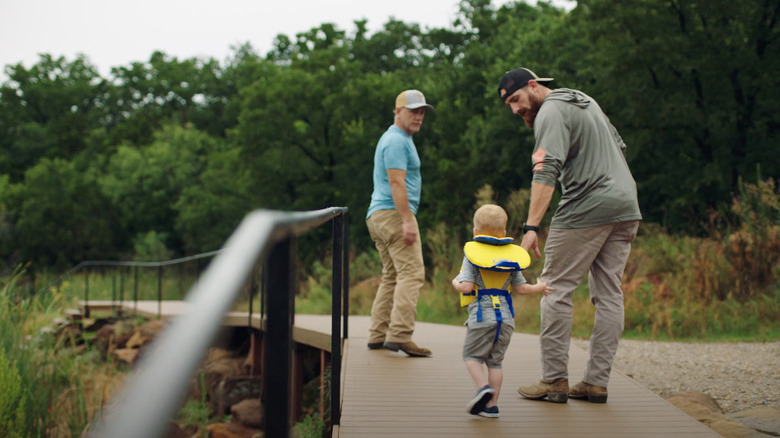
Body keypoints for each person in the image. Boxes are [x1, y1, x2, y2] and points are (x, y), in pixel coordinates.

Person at [497, 68, 642, 403]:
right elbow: (620, 145)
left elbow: (546, 169)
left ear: (534, 86)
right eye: (510, 107)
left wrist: (531, 227)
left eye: (517, 100)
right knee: (609, 294)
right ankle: (595, 383)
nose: (516, 110)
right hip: (626, 205)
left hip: (586, 207)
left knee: (555, 289)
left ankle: (553, 381)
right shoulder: (585, 100)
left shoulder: (549, 112)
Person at [452, 204, 552, 417]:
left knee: (471, 356)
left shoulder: (472, 255)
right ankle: (492, 405)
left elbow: (467, 287)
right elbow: (522, 289)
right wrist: (540, 287)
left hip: (482, 316)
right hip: (506, 318)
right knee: (495, 362)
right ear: (504, 234)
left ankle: (483, 389)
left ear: (475, 232)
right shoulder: (511, 258)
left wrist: (455, 282)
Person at [365, 89, 434, 358]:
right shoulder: (396, 141)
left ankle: (378, 335)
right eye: (413, 111)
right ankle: (400, 335)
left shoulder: (398, 138)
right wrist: (407, 220)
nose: (418, 117)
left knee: (392, 276)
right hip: (393, 214)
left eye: (422, 112)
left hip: (379, 214)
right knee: (412, 273)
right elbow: (396, 182)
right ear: (397, 112)